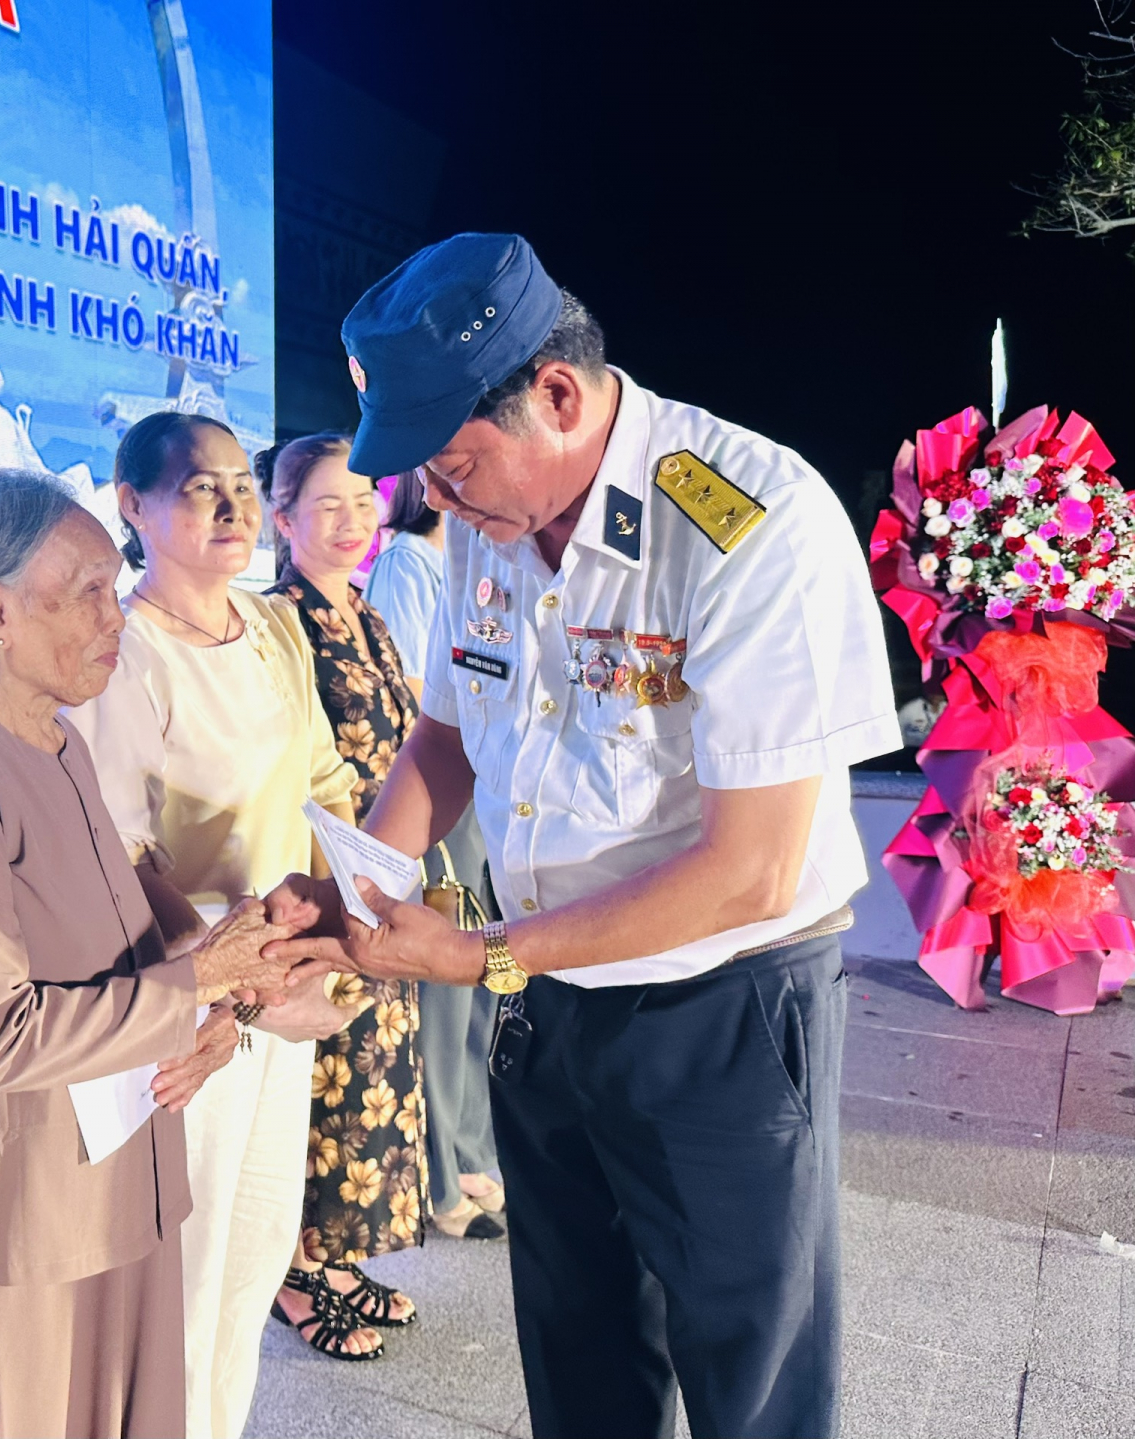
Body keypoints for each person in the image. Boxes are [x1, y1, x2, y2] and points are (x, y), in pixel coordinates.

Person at [264, 232, 900, 1439]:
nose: (437, 503)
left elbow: (750, 869)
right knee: (577, 1344)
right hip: (548, 997)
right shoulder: (487, 530)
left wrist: (482, 957)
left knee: (750, 1360)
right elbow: (443, 745)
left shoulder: (747, 521)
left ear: (556, 394)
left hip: (723, 1005)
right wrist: (354, 891)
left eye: (453, 466)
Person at [0, 470, 302, 1439]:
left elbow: (119, 922)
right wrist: (199, 978)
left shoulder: (53, 739)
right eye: (90, 591)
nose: (117, 616)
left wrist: (212, 1007)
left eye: (115, 584)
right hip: (19, 1208)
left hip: (119, 1168)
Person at [64, 412, 364, 1434]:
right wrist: (224, 964)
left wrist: (330, 915)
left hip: (286, 989)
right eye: (201, 487)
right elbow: (118, 844)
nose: (234, 506)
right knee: (181, 1275)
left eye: (243, 483)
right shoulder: (124, 648)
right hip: (194, 1000)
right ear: (130, 504)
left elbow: (325, 781)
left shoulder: (272, 625)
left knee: (253, 1248)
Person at [258, 433, 427, 1355]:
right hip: (327, 882)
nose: (353, 519)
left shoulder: (369, 612)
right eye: (328, 505)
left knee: (376, 1070)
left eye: (363, 501)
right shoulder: (276, 620)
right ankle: (296, 1270)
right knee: (326, 1076)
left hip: (384, 881)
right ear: (283, 520)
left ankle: (339, 1251)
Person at [362, 474, 508, 1239]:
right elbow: (420, 694)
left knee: (491, 979)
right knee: (448, 988)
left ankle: (477, 1148)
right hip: (447, 799)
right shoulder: (409, 565)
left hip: (493, 799)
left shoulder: (491, 560)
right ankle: (440, 1172)